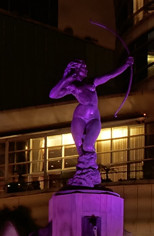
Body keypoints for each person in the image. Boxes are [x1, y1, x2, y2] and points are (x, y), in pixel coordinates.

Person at [49, 58, 134, 187]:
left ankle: (89, 174)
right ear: (76, 70)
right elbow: (53, 94)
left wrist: (126, 65)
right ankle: (83, 175)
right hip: (79, 117)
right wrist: (66, 79)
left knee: (88, 146)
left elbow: (110, 75)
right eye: (84, 68)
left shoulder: (91, 82)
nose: (87, 70)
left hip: (93, 117)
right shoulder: (72, 86)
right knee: (80, 148)